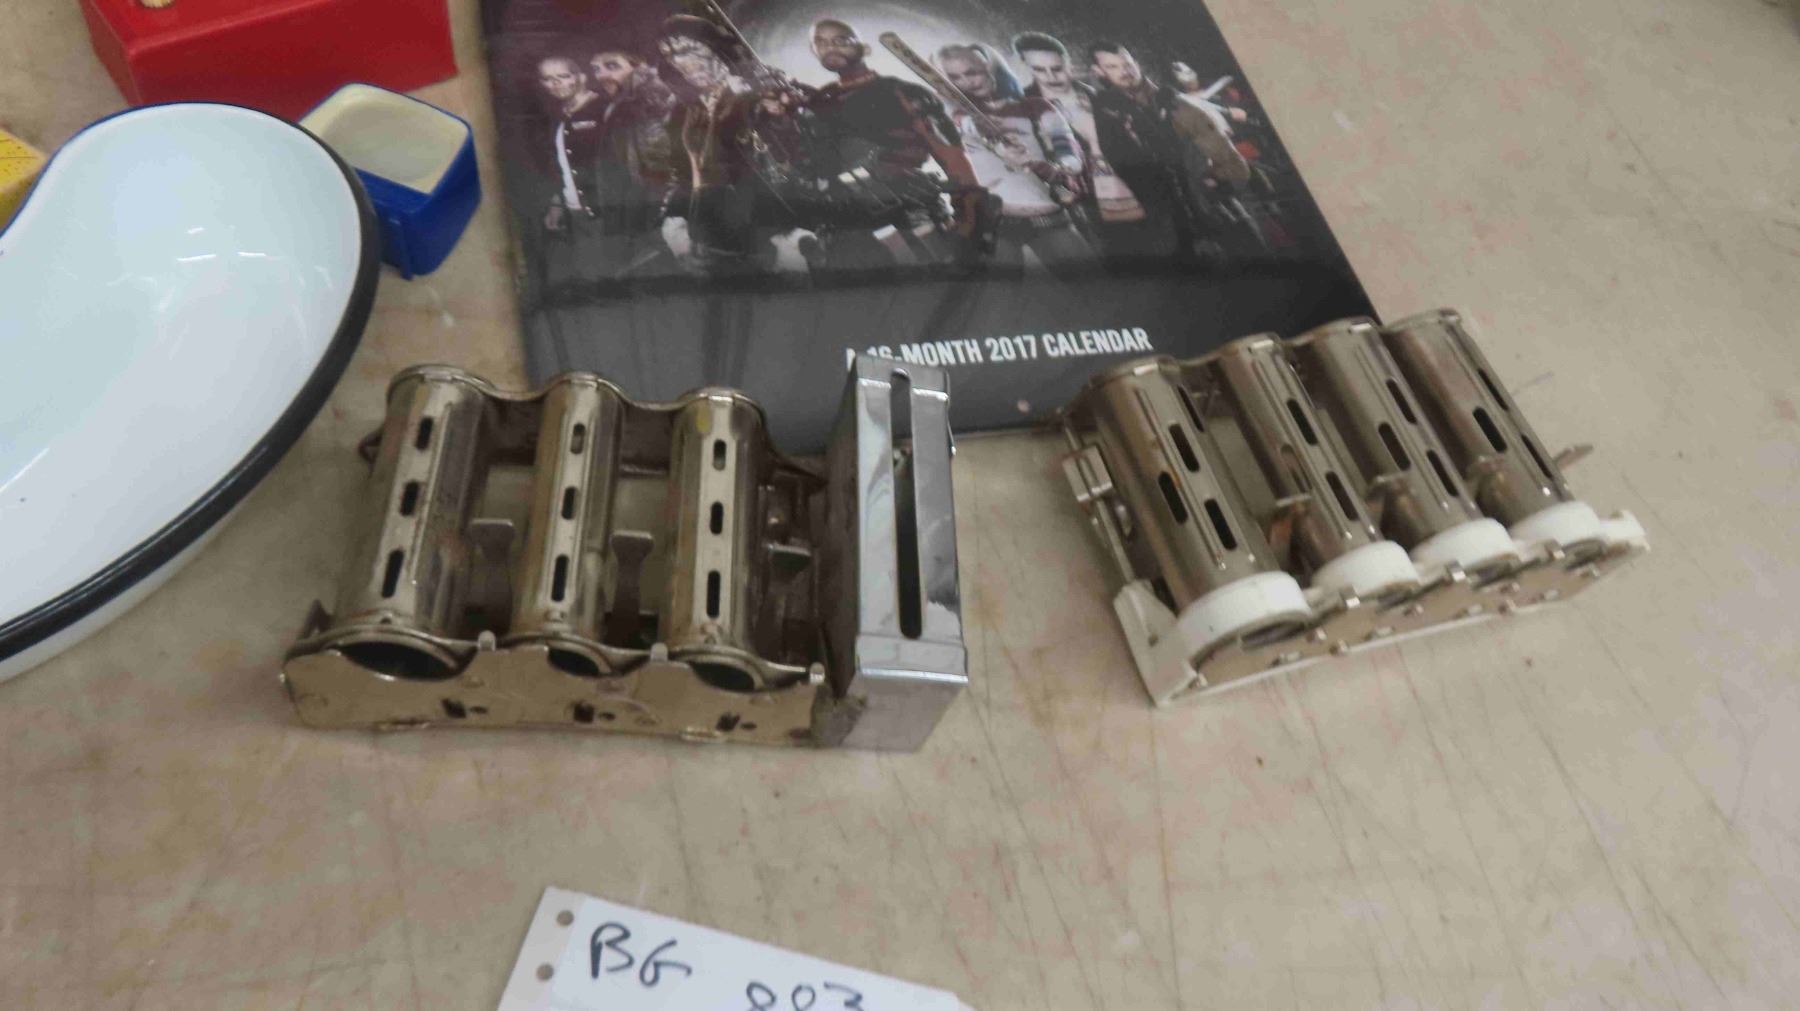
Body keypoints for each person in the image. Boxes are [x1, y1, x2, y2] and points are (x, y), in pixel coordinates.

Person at [801, 18, 987, 272]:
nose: (829, 47)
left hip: (910, 214)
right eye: (820, 43)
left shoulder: (904, 93)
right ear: (813, 51)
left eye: (841, 40)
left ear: (865, 48)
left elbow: (953, 157)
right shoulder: (817, 102)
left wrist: (970, 219)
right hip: (849, 224)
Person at [1088, 41, 1259, 264]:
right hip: (1165, 225)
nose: (1125, 71)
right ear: (1098, 72)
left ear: (1136, 63)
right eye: (1112, 67)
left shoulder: (1176, 102)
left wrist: (1215, 182)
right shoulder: (1101, 114)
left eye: (1127, 64)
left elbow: (1231, 162)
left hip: (1214, 207)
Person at [935, 44, 1094, 277]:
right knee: (1000, 295)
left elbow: (1069, 154)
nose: (967, 81)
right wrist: (980, 128)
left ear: (990, 67)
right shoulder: (951, 116)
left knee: (1091, 282)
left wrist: (1051, 168)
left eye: (972, 72)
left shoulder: (1036, 107)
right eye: (955, 77)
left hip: (1043, 210)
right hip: (990, 219)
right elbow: (956, 122)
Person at [656, 15, 793, 276]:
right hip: (708, 237)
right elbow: (681, 172)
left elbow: (791, 154)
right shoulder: (684, 109)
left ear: (715, 47)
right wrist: (675, 228)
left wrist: (795, 233)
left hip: (770, 235)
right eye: (670, 55)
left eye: (689, 50)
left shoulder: (759, 91)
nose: (680, 62)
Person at [1012, 31, 1154, 267]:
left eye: (1056, 68)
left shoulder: (1100, 96)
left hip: (1133, 193)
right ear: (1026, 67)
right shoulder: (1024, 109)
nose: (1050, 77)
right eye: (1039, 70)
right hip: (1082, 205)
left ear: (1068, 63)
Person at [535, 54, 612, 291]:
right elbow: (560, 165)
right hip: (574, 211)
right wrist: (556, 204)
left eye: (563, 76)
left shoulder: (605, 109)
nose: (555, 84)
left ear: (582, 77)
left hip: (604, 212)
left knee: (609, 281)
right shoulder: (558, 116)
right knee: (587, 279)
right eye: (547, 79)